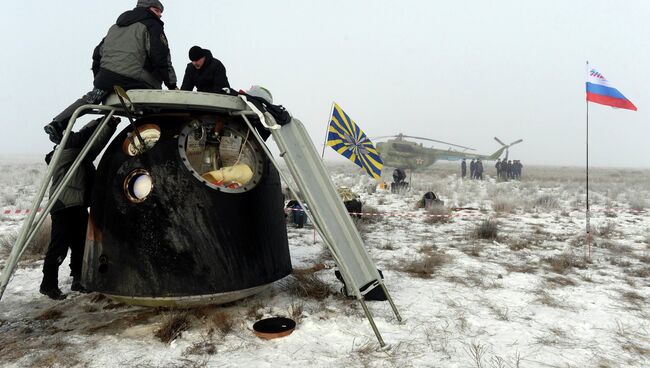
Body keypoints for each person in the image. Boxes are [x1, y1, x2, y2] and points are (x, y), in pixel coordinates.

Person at [44, 0, 177, 144]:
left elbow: (97, 53)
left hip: (107, 78)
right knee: (156, 106)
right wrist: (171, 84)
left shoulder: (115, 27)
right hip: (136, 80)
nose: (160, 15)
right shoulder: (152, 25)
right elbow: (160, 57)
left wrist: (99, 78)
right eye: (158, 11)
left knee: (90, 99)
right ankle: (160, 136)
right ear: (148, 9)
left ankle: (58, 123)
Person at [40, 117, 121, 300]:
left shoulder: (78, 155)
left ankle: (78, 279)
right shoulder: (63, 154)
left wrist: (109, 127)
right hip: (64, 206)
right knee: (58, 247)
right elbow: (85, 138)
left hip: (77, 205)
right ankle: (48, 284)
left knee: (80, 245)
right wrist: (103, 120)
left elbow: (95, 145)